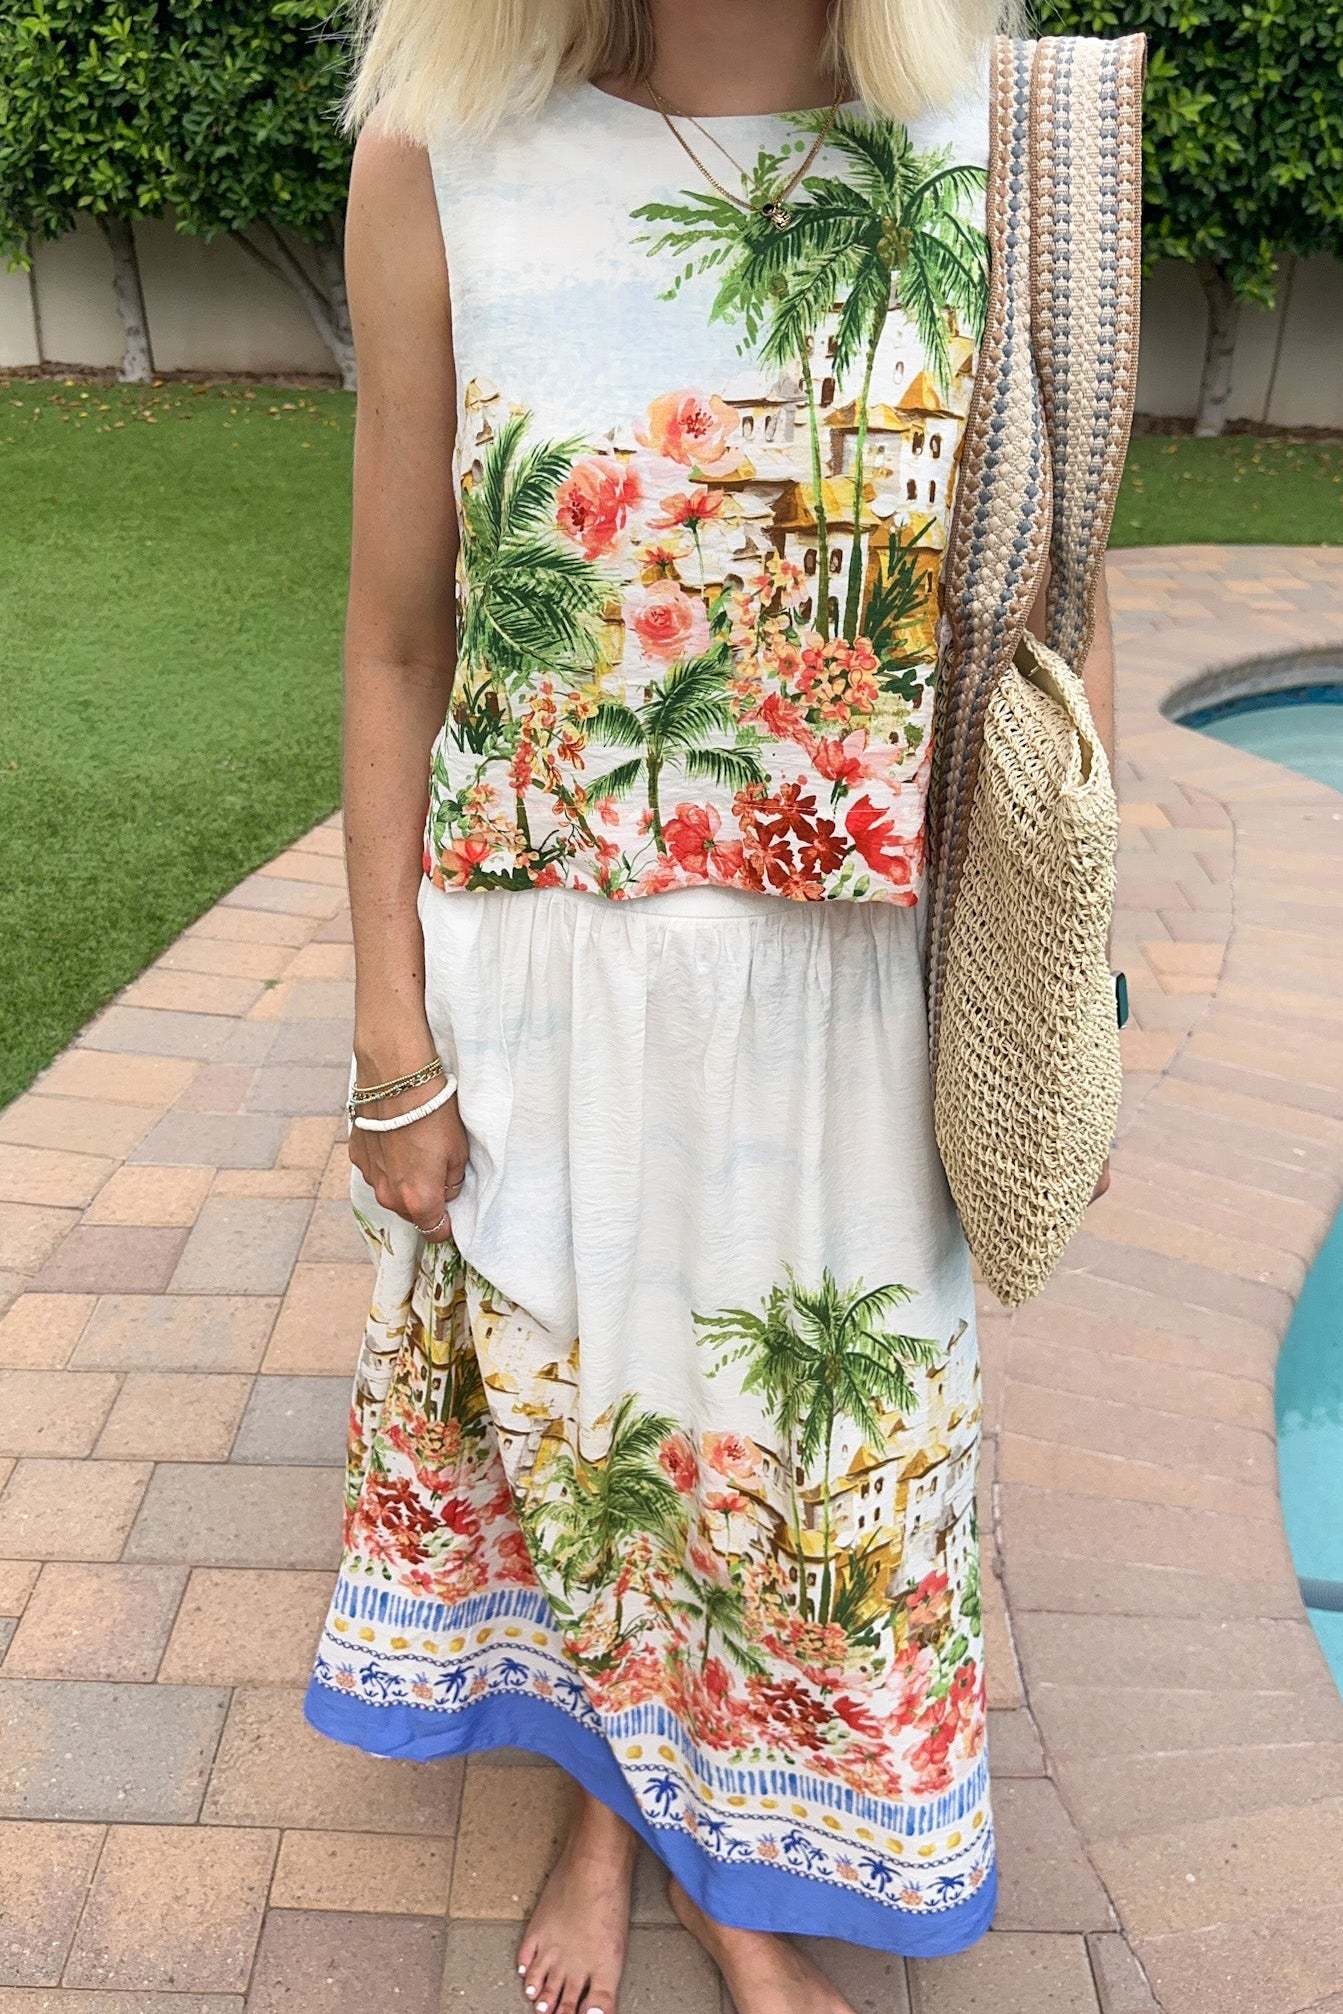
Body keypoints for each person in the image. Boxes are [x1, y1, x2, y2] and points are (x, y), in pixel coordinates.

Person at [305, 4, 1118, 2011]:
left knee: (792, 1444)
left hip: (853, 990)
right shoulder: (437, 152)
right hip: (549, 969)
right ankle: (648, 1832)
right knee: (598, 1443)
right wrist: (388, 1040)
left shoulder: (987, 151)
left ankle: (701, 1828)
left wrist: (1068, 946)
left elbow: (1059, 594)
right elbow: (403, 628)